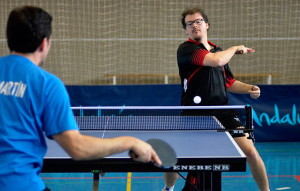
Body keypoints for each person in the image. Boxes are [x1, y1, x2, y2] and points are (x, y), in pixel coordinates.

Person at [0, 6, 161, 191]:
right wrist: (131, 141)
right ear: (44, 43)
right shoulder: (47, 84)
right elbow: (77, 148)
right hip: (19, 184)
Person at [162, 7, 269, 191]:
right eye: (190, 23)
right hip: (194, 113)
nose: (194, 25)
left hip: (223, 111)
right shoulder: (186, 49)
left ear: (207, 25)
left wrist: (249, 88)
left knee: (251, 151)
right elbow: (216, 60)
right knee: (176, 154)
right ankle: (168, 188)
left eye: (198, 21)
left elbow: (229, 81)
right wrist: (235, 48)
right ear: (186, 30)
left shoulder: (218, 50)